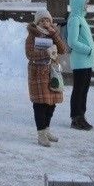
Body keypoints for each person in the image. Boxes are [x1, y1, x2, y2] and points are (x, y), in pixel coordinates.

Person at [26, 14, 70, 146]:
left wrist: (54, 35)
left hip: (52, 72)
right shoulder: (32, 35)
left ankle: (46, 130)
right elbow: (29, 54)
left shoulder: (53, 33)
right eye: (42, 20)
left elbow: (63, 49)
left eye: (47, 20)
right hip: (38, 73)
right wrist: (46, 52)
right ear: (37, 22)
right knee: (40, 104)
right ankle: (41, 134)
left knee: (51, 103)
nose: (45, 22)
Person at [65, 0, 94, 131]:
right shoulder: (75, 19)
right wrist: (88, 50)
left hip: (86, 61)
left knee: (84, 90)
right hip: (80, 60)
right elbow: (72, 42)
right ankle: (76, 118)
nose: (87, 5)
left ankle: (81, 116)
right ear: (78, 4)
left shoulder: (81, 18)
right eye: (85, 3)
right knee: (79, 90)